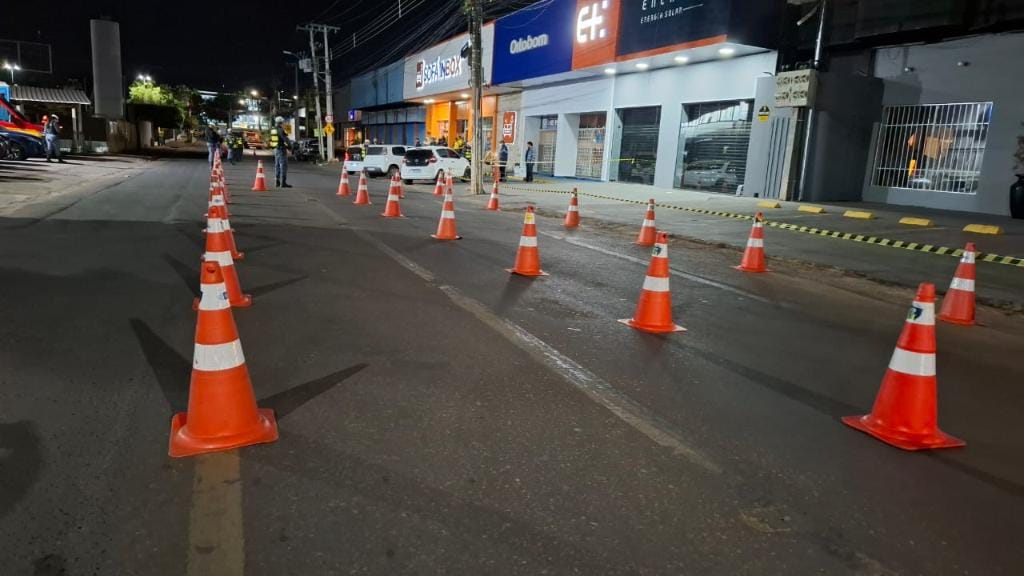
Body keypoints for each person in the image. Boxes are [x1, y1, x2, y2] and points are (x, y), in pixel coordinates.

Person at [268, 116, 292, 188]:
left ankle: (277, 182)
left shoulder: (273, 129)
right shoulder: (281, 130)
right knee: (283, 165)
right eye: (283, 122)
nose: (283, 123)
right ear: (280, 123)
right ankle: (283, 183)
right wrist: (290, 147)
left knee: (277, 165)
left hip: (276, 149)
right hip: (281, 149)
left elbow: (271, 140)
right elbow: (285, 139)